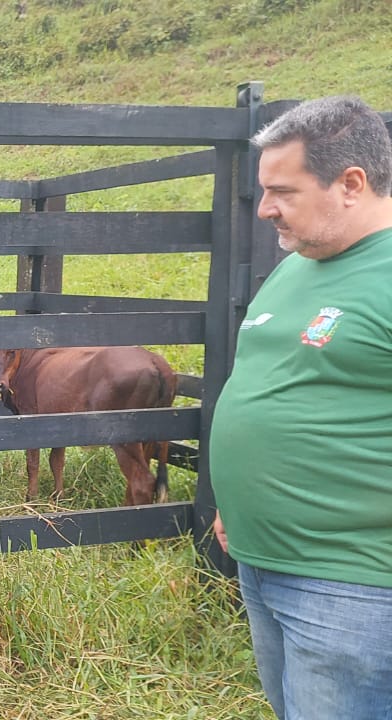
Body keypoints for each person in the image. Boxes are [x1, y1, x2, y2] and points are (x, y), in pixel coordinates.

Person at [209, 95, 392, 720]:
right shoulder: (299, 264)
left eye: (282, 191)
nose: (264, 209)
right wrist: (242, 503)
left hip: (352, 585)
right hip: (262, 560)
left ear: (351, 184)